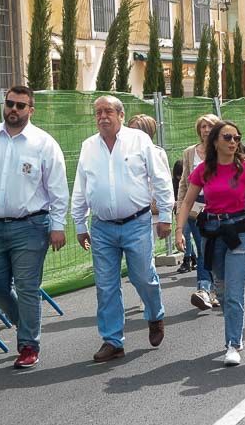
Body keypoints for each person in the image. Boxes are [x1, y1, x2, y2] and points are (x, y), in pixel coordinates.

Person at [0, 85, 69, 370]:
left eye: (21, 105)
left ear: (31, 110)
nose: (14, 110)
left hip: (31, 226)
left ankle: (28, 345)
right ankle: (26, 320)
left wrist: (58, 225)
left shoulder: (44, 144)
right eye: (10, 104)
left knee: (27, 286)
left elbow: (58, 190)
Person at [71, 95, 174, 363]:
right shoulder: (88, 147)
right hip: (102, 227)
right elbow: (81, 187)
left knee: (143, 277)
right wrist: (80, 224)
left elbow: (160, 178)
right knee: (105, 285)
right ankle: (113, 340)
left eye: (108, 111)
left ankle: (155, 315)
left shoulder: (139, 140)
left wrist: (165, 215)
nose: (102, 117)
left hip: (137, 223)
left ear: (120, 114)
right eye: (98, 113)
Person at [175, 121, 245, 366]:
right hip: (212, 233)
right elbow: (187, 202)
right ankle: (234, 330)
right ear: (215, 140)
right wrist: (179, 230)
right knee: (223, 289)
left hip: (239, 232)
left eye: (236, 138)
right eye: (227, 137)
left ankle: (233, 344)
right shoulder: (204, 170)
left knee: (235, 292)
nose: (233, 142)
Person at [178, 114, 222, 310]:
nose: (205, 130)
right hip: (196, 204)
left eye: (209, 126)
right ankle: (204, 289)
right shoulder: (190, 153)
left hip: (219, 205)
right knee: (203, 247)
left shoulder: (223, 150)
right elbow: (184, 183)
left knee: (217, 250)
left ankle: (216, 289)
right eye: (202, 126)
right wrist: (180, 208)